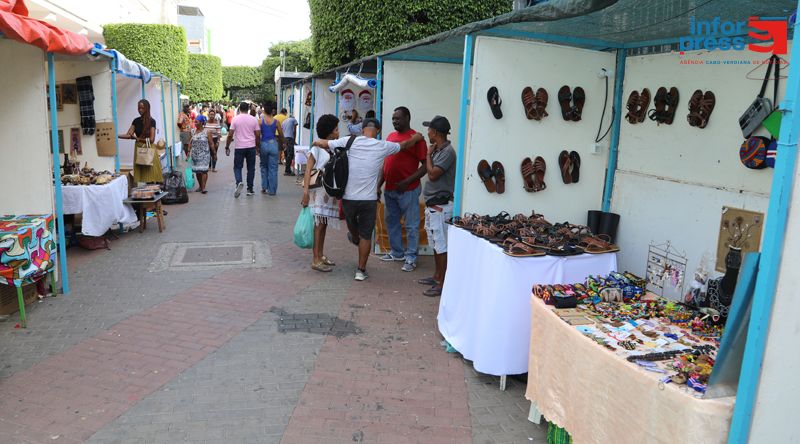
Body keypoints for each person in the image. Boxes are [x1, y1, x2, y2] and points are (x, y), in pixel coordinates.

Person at [312, 118, 424, 281]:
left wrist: (315, 144)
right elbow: (405, 145)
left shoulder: (349, 140)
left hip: (348, 199)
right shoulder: (382, 146)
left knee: (354, 230)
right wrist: (417, 137)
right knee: (366, 235)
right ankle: (360, 270)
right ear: (377, 131)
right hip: (368, 200)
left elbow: (323, 143)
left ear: (363, 129)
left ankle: (354, 237)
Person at [378, 107, 427, 272]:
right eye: (393, 119)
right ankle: (397, 252)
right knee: (391, 222)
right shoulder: (391, 137)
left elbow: (426, 166)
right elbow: (385, 164)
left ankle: (411, 258)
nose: (394, 121)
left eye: (398, 118)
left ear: (407, 118)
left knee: (412, 225)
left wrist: (407, 181)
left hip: (409, 190)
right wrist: (379, 185)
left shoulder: (417, 139)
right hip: (390, 189)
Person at [418, 116, 456, 297]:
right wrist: (430, 154)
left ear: (435, 132)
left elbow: (432, 175)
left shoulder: (448, 152)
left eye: (429, 130)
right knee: (435, 243)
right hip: (434, 205)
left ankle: (443, 282)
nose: (427, 133)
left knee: (441, 246)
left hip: (441, 206)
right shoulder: (438, 150)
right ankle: (437, 276)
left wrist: (427, 155)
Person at [301, 114, 341, 272]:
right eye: (336, 129)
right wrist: (305, 192)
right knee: (318, 224)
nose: (339, 132)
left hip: (328, 190)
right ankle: (315, 259)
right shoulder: (316, 148)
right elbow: (308, 170)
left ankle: (321, 255)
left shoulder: (333, 146)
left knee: (323, 223)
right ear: (329, 132)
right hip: (318, 190)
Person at [119, 99, 162, 184]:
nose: (140, 110)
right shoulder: (136, 121)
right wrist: (116, 135)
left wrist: (138, 139)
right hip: (139, 149)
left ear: (147, 108)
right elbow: (129, 135)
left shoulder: (152, 121)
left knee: (151, 176)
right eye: (139, 108)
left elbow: (152, 139)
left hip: (149, 149)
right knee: (143, 177)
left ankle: (154, 194)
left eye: (142, 108)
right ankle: (146, 194)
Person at [225, 101, 261, 197]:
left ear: (240, 109)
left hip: (239, 147)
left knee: (237, 167)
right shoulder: (253, 119)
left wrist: (227, 146)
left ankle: (239, 183)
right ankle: (250, 188)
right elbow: (258, 135)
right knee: (251, 168)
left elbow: (230, 135)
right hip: (251, 147)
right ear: (248, 109)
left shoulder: (235, 119)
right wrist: (258, 147)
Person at [258, 105, 285, 195]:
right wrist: (284, 143)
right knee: (273, 168)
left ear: (265, 111)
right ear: (272, 112)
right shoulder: (276, 122)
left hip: (264, 144)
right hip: (273, 144)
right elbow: (281, 134)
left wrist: (257, 147)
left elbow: (257, 134)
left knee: (263, 166)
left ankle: (264, 187)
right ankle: (272, 190)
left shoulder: (260, 121)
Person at [190, 115, 215, 194]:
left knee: (204, 171)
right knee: (197, 171)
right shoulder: (192, 131)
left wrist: (214, 154)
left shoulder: (207, 132)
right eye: (195, 122)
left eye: (196, 122)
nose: (195, 123)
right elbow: (190, 142)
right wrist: (188, 151)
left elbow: (211, 143)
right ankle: (200, 186)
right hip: (195, 154)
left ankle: (203, 187)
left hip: (205, 154)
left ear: (201, 122)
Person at [281, 110, 298, 176]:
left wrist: (283, 141)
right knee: (290, 154)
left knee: (287, 153)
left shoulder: (284, 121)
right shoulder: (294, 120)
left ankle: (287, 169)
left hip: (285, 138)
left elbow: (282, 131)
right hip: (290, 138)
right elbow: (294, 131)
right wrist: (294, 140)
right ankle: (287, 170)